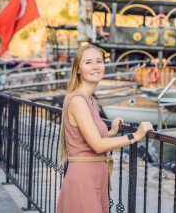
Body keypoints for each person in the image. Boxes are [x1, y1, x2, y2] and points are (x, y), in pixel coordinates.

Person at [57, 44, 153, 213]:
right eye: (88, 62)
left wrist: (111, 132)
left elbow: (84, 138)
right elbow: (97, 145)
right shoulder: (78, 100)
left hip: (95, 177)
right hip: (84, 179)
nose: (95, 66)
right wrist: (135, 136)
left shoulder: (90, 100)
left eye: (99, 61)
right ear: (78, 69)